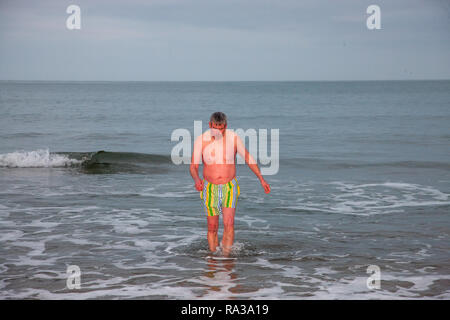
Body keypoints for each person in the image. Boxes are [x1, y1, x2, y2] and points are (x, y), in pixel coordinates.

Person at [190, 112, 271, 257]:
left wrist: (261, 178)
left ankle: (226, 258)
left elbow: (247, 157)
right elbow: (193, 166)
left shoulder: (233, 138)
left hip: (229, 186)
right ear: (210, 125)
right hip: (209, 188)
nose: (218, 132)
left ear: (225, 126)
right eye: (215, 128)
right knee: (212, 227)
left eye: (221, 129)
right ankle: (213, 259)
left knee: (229, 224)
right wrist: (196, 179)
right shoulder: (201, 140)